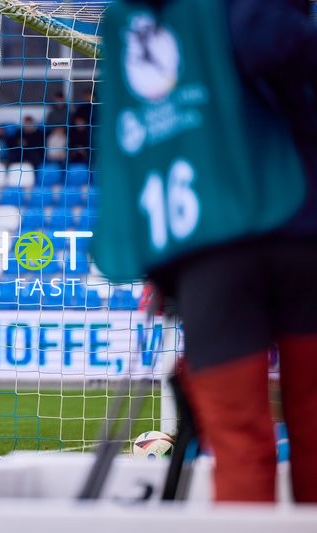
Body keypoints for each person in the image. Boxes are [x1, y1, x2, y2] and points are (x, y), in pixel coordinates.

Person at [93, 0, 317, 503]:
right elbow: (288, 49)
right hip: (298, 227)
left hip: (200, 254)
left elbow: (127, 158)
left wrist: (161, 267)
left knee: (237, 443)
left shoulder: (124, 24)